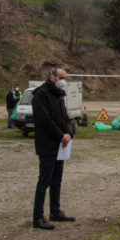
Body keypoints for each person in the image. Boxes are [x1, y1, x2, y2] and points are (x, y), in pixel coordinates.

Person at [31, 65, 76, 230]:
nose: (63, 81)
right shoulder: (40, 95)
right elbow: (45, 120)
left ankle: (55, 211)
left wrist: (69, 133)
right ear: (51, 77)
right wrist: (60, 135)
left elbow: (65, 118)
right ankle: (38, 217)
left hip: (60, 146)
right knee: (44, 181)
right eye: (61, 77)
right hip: (47, 145)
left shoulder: (59, 95)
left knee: (57, 180)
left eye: (65, 78)